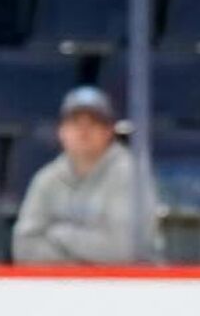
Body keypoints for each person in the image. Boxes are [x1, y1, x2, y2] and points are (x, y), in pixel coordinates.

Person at [11, 86, 157, 265]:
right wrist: (78, 267)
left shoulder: (129, 174)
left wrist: (60, 234)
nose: (83, 131)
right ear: (61, 131)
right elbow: (24, 248)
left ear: (109, 131)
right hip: (60, 281)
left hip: (124, 281)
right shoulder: (47, 178)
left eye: (94, 122)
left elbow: (123, 250)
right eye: (75, 123)